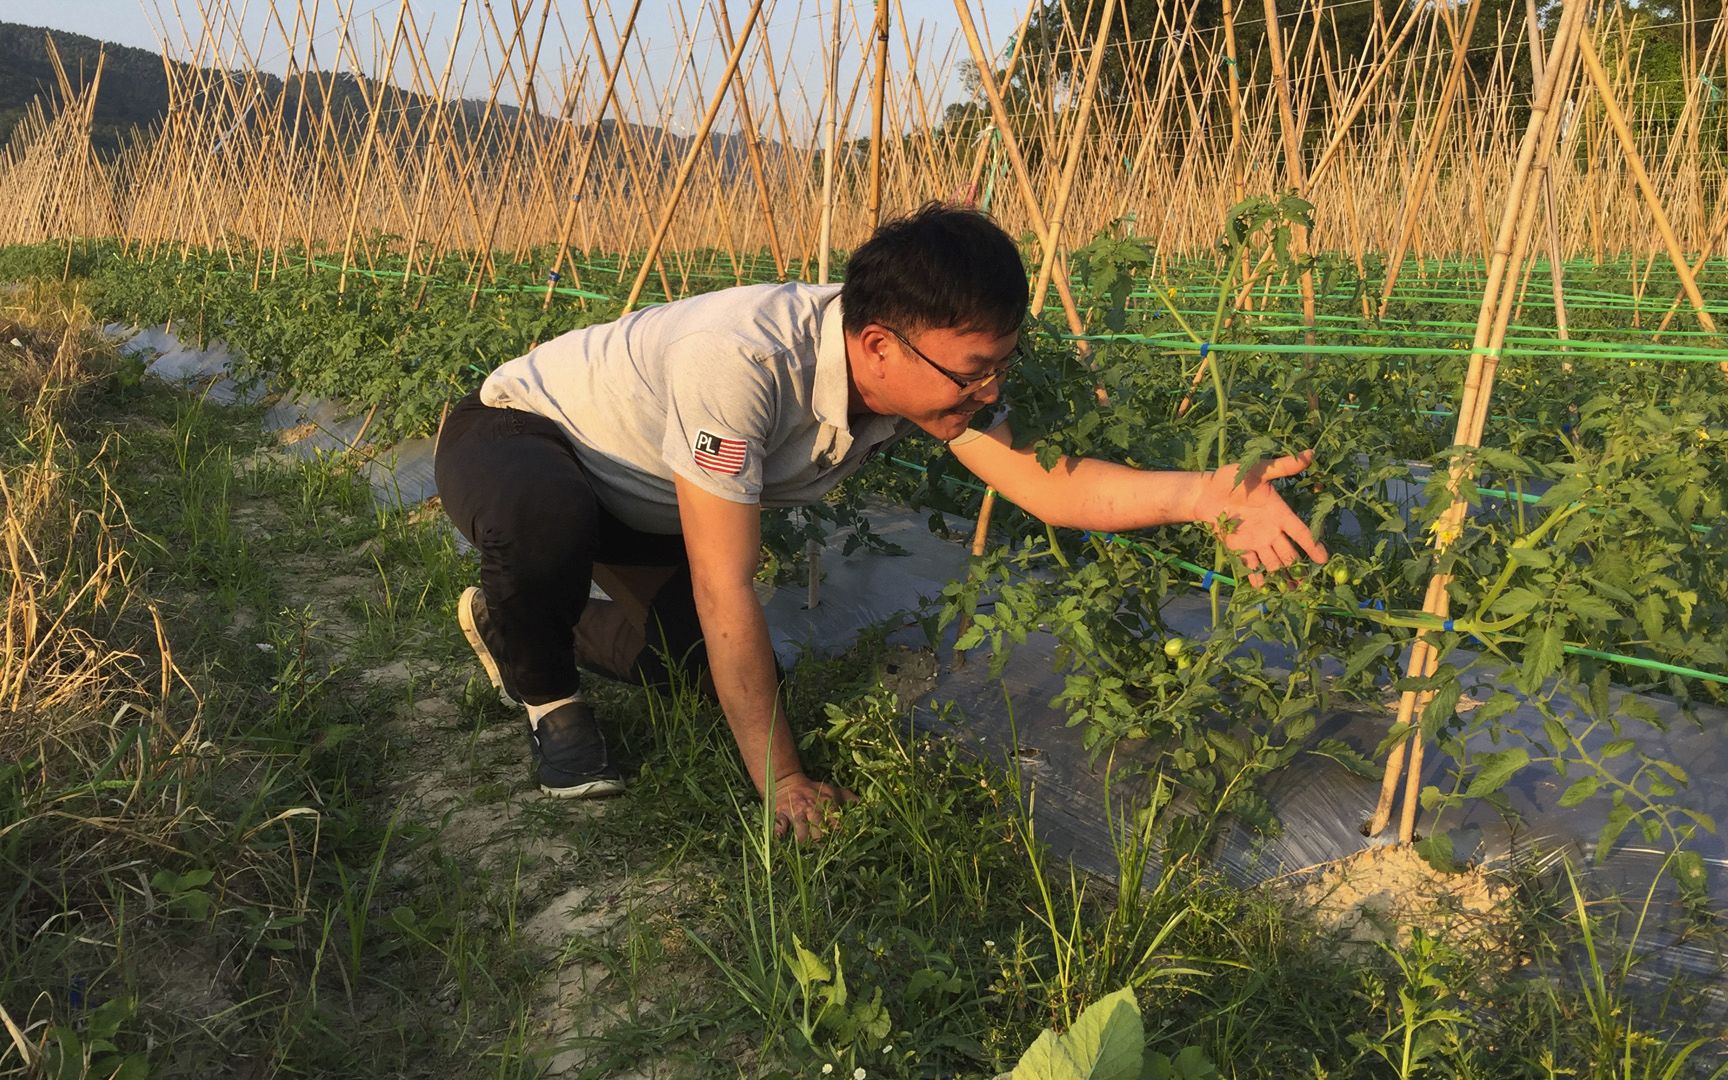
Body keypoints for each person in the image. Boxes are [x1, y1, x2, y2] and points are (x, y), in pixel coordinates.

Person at [433, 202, 1327, 840]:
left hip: (647, 500)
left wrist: (1207, 494)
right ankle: (550, 699)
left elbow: (1048, 488)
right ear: (878, 348)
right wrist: (782, 781)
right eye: (974, 372)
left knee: (708, 669)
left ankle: (515, 620)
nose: (990, 393)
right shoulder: (741, 360)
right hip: (522, 441)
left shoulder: (915, 372)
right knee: (549, 524)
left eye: (999, 368)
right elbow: (726, 580)